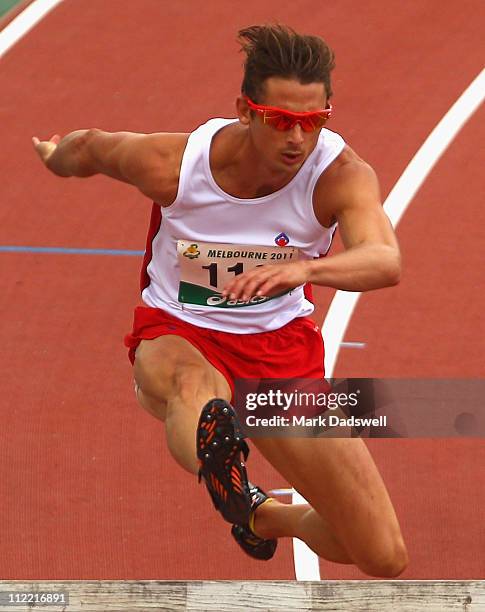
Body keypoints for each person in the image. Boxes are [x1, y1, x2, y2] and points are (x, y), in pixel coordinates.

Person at [33, 24, 408, 576]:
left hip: (280, 356)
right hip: (179, 330)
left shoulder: (340, 176)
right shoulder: (175, 166)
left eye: (313, 121)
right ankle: (219, 455)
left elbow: (385, 259)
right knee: (197, 390)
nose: (296, 140)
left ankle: (258, 514)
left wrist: (306, 268)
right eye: (281, 120)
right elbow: (90, 148)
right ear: (246, 110)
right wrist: (52, 156)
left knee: (380, 554)